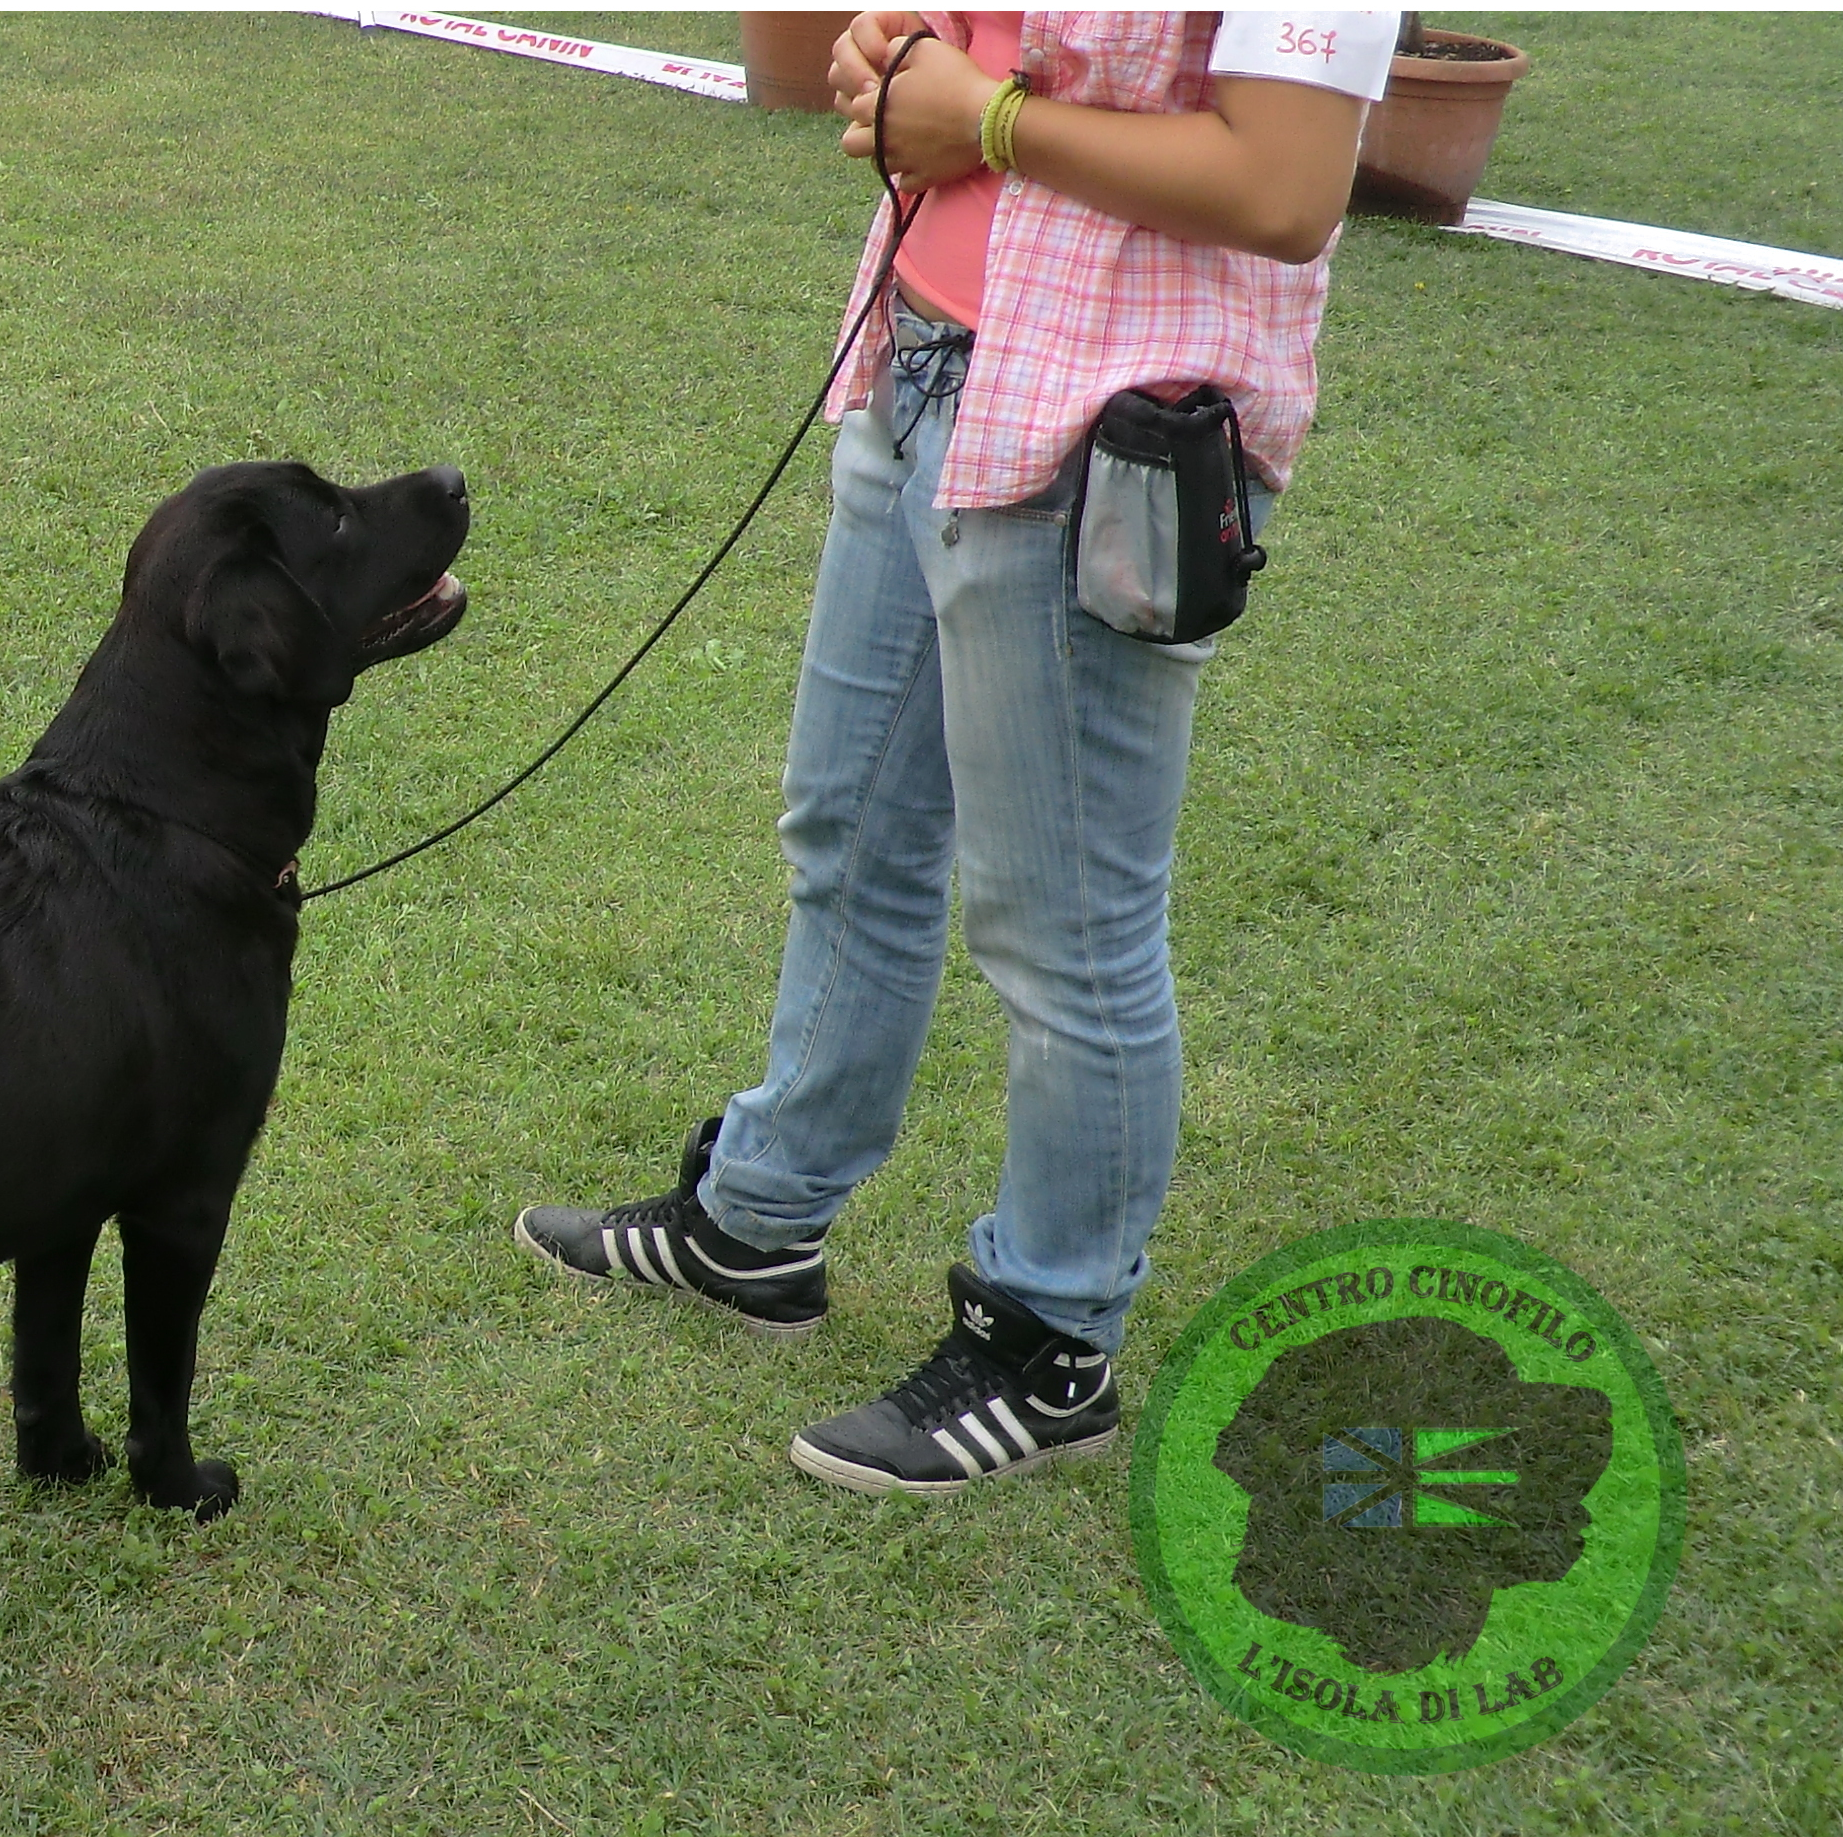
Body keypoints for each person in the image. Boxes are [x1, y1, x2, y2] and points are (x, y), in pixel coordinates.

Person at [514, 11, 1402, 1494]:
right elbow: (874, 59)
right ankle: (760, 1218)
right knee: (846, 830)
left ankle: (1049, 1344)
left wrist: (982, 124)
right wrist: (889, 54)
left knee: (1063, 934)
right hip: (916, 357)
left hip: (1093, 434)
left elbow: (1282, 188)